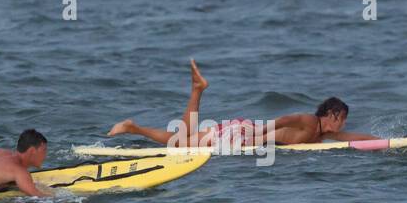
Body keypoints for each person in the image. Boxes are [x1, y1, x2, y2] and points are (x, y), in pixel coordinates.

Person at [105, 59, 376, 148]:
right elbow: (282, 120)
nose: (344, 124)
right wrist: (257, 132)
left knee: (181, 140)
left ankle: (133, 128)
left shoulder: (320, 135)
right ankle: (196, 89)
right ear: (332, 114)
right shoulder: (309, 122)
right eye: (343, 118)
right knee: (181, 143)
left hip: (247, 135)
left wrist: (385, 142)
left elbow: (350, 138)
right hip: (246, 134)